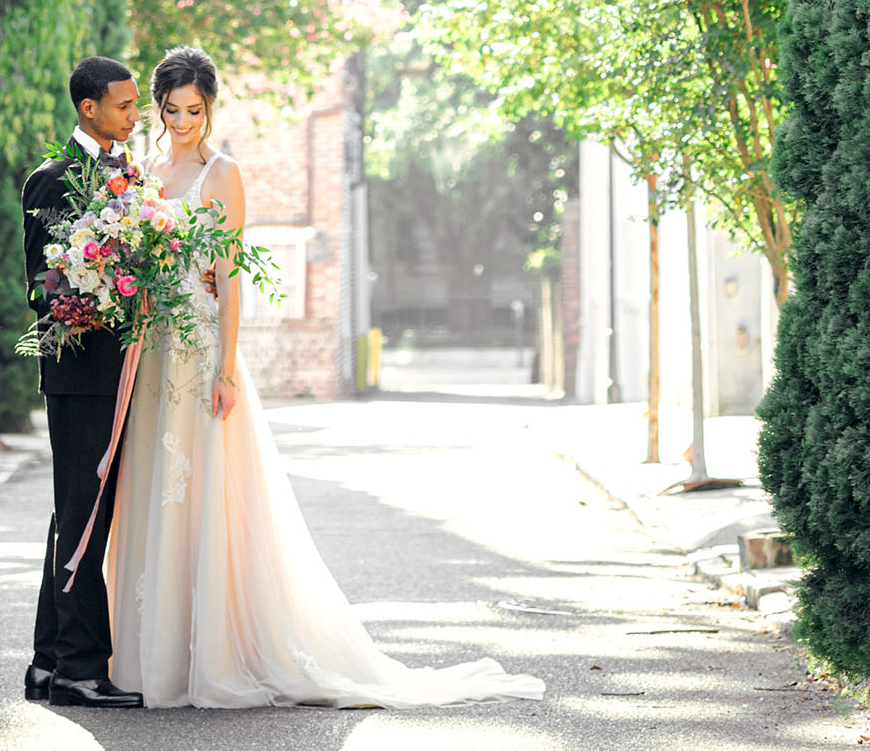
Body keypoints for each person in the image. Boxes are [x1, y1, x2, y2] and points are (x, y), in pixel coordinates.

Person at [106, 46, 546, 708]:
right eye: (172, 110)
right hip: (150, 352)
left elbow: (227, 279)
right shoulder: (142, 173)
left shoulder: (223, 175)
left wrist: (226, 368)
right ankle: (150, 658)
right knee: (152, 494)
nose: (184, 121)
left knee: (203, 499)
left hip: (199, 356)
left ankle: (215, 654)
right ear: (159, 110)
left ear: (211, 107)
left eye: (194, 110)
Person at [20, 56, 145, 709]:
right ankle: (79, 672)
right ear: (88, 108)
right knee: (83, 521)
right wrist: (106, 287)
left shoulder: (126, 177)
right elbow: (45, 288)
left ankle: (47, 664)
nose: (134, 115)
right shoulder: (53, 181)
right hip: (80, 377)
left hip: (116, 373)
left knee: (75, 517)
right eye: (123, 105)